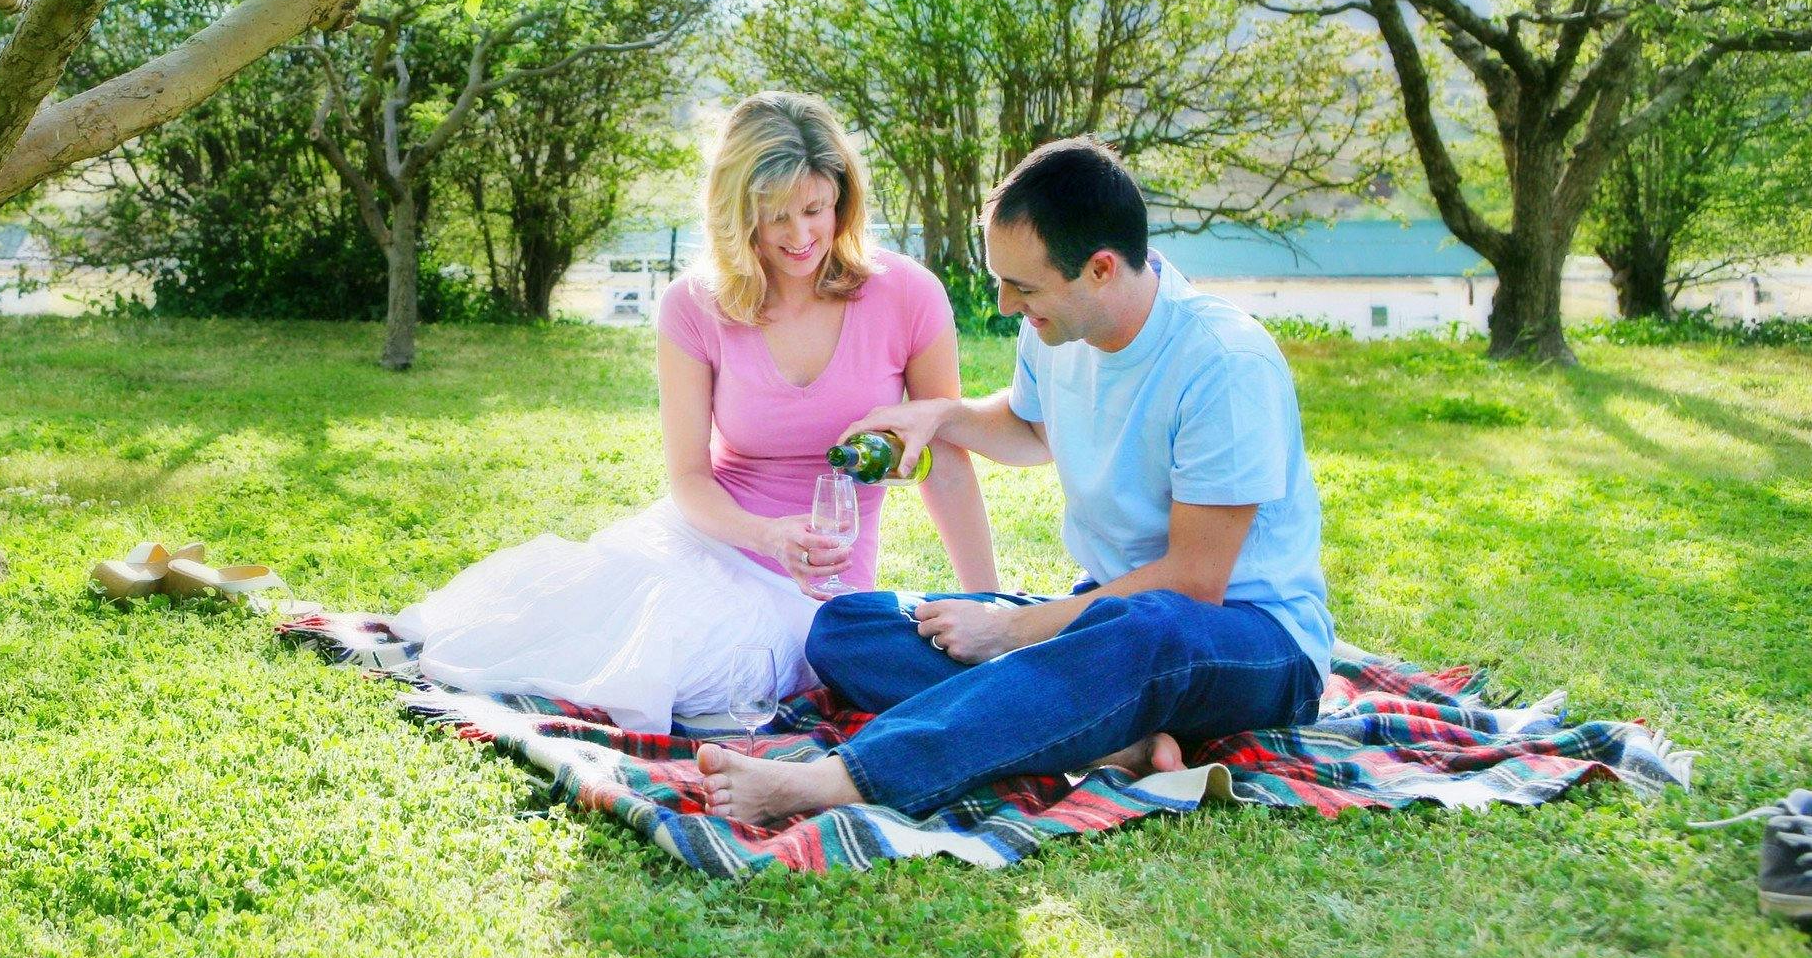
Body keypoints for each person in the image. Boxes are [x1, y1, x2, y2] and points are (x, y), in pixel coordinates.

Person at [699, 137, 1333, 823]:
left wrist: (1013, 628)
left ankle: (841, 778)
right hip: (1107, 617)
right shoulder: (1057, 328)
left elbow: (1193, 581)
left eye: (1022, 286)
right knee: (848, 627)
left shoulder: (1223, 364)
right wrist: (938, 415)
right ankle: (1112, 736)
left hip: (1245, 637)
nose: (1004, 304)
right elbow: (1031, 430)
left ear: (1098, 269)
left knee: (1144, 627)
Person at [393, 91, 997, 734]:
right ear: (737, 215)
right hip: (706, 539)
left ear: (842, 199)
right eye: (775, 217)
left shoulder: (907, 294)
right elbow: (688, 478)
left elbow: (946, 461)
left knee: (685, 665)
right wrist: (767, 536)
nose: (799, 237)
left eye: (815, 210)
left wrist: (993, 612)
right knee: (555, 622)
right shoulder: (693, 305)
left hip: (813, 590)